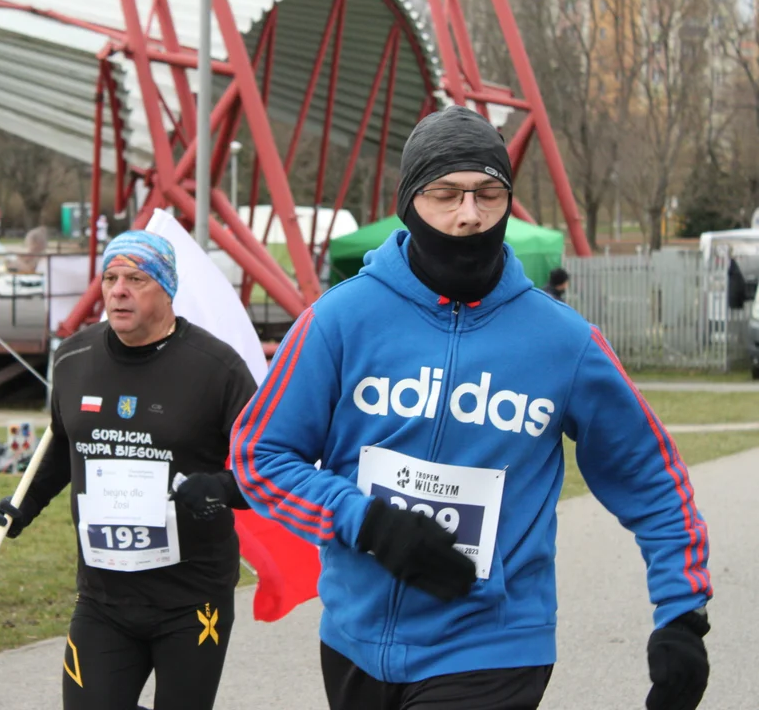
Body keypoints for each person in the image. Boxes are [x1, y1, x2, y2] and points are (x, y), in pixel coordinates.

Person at [230, 106, 711, 710]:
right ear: (410, 202)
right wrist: (369, 523)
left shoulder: (563, 342)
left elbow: (651, 475)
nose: (469, 214)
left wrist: (682, 613)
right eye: (446, 194)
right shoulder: (340, 320)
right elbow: (259, 455)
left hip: (495, 647)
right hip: (355, 639)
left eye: (489, 194)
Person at [0, 230, 257, 710]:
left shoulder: (217, 369)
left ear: (167, 288)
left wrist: (220, 488)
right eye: (110, 277)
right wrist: (25, 504)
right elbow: (61, 444)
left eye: (136, 278)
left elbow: (266, 466)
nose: (117, 290)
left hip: (191, 599)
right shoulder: (73, 359)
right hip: (103, 598)